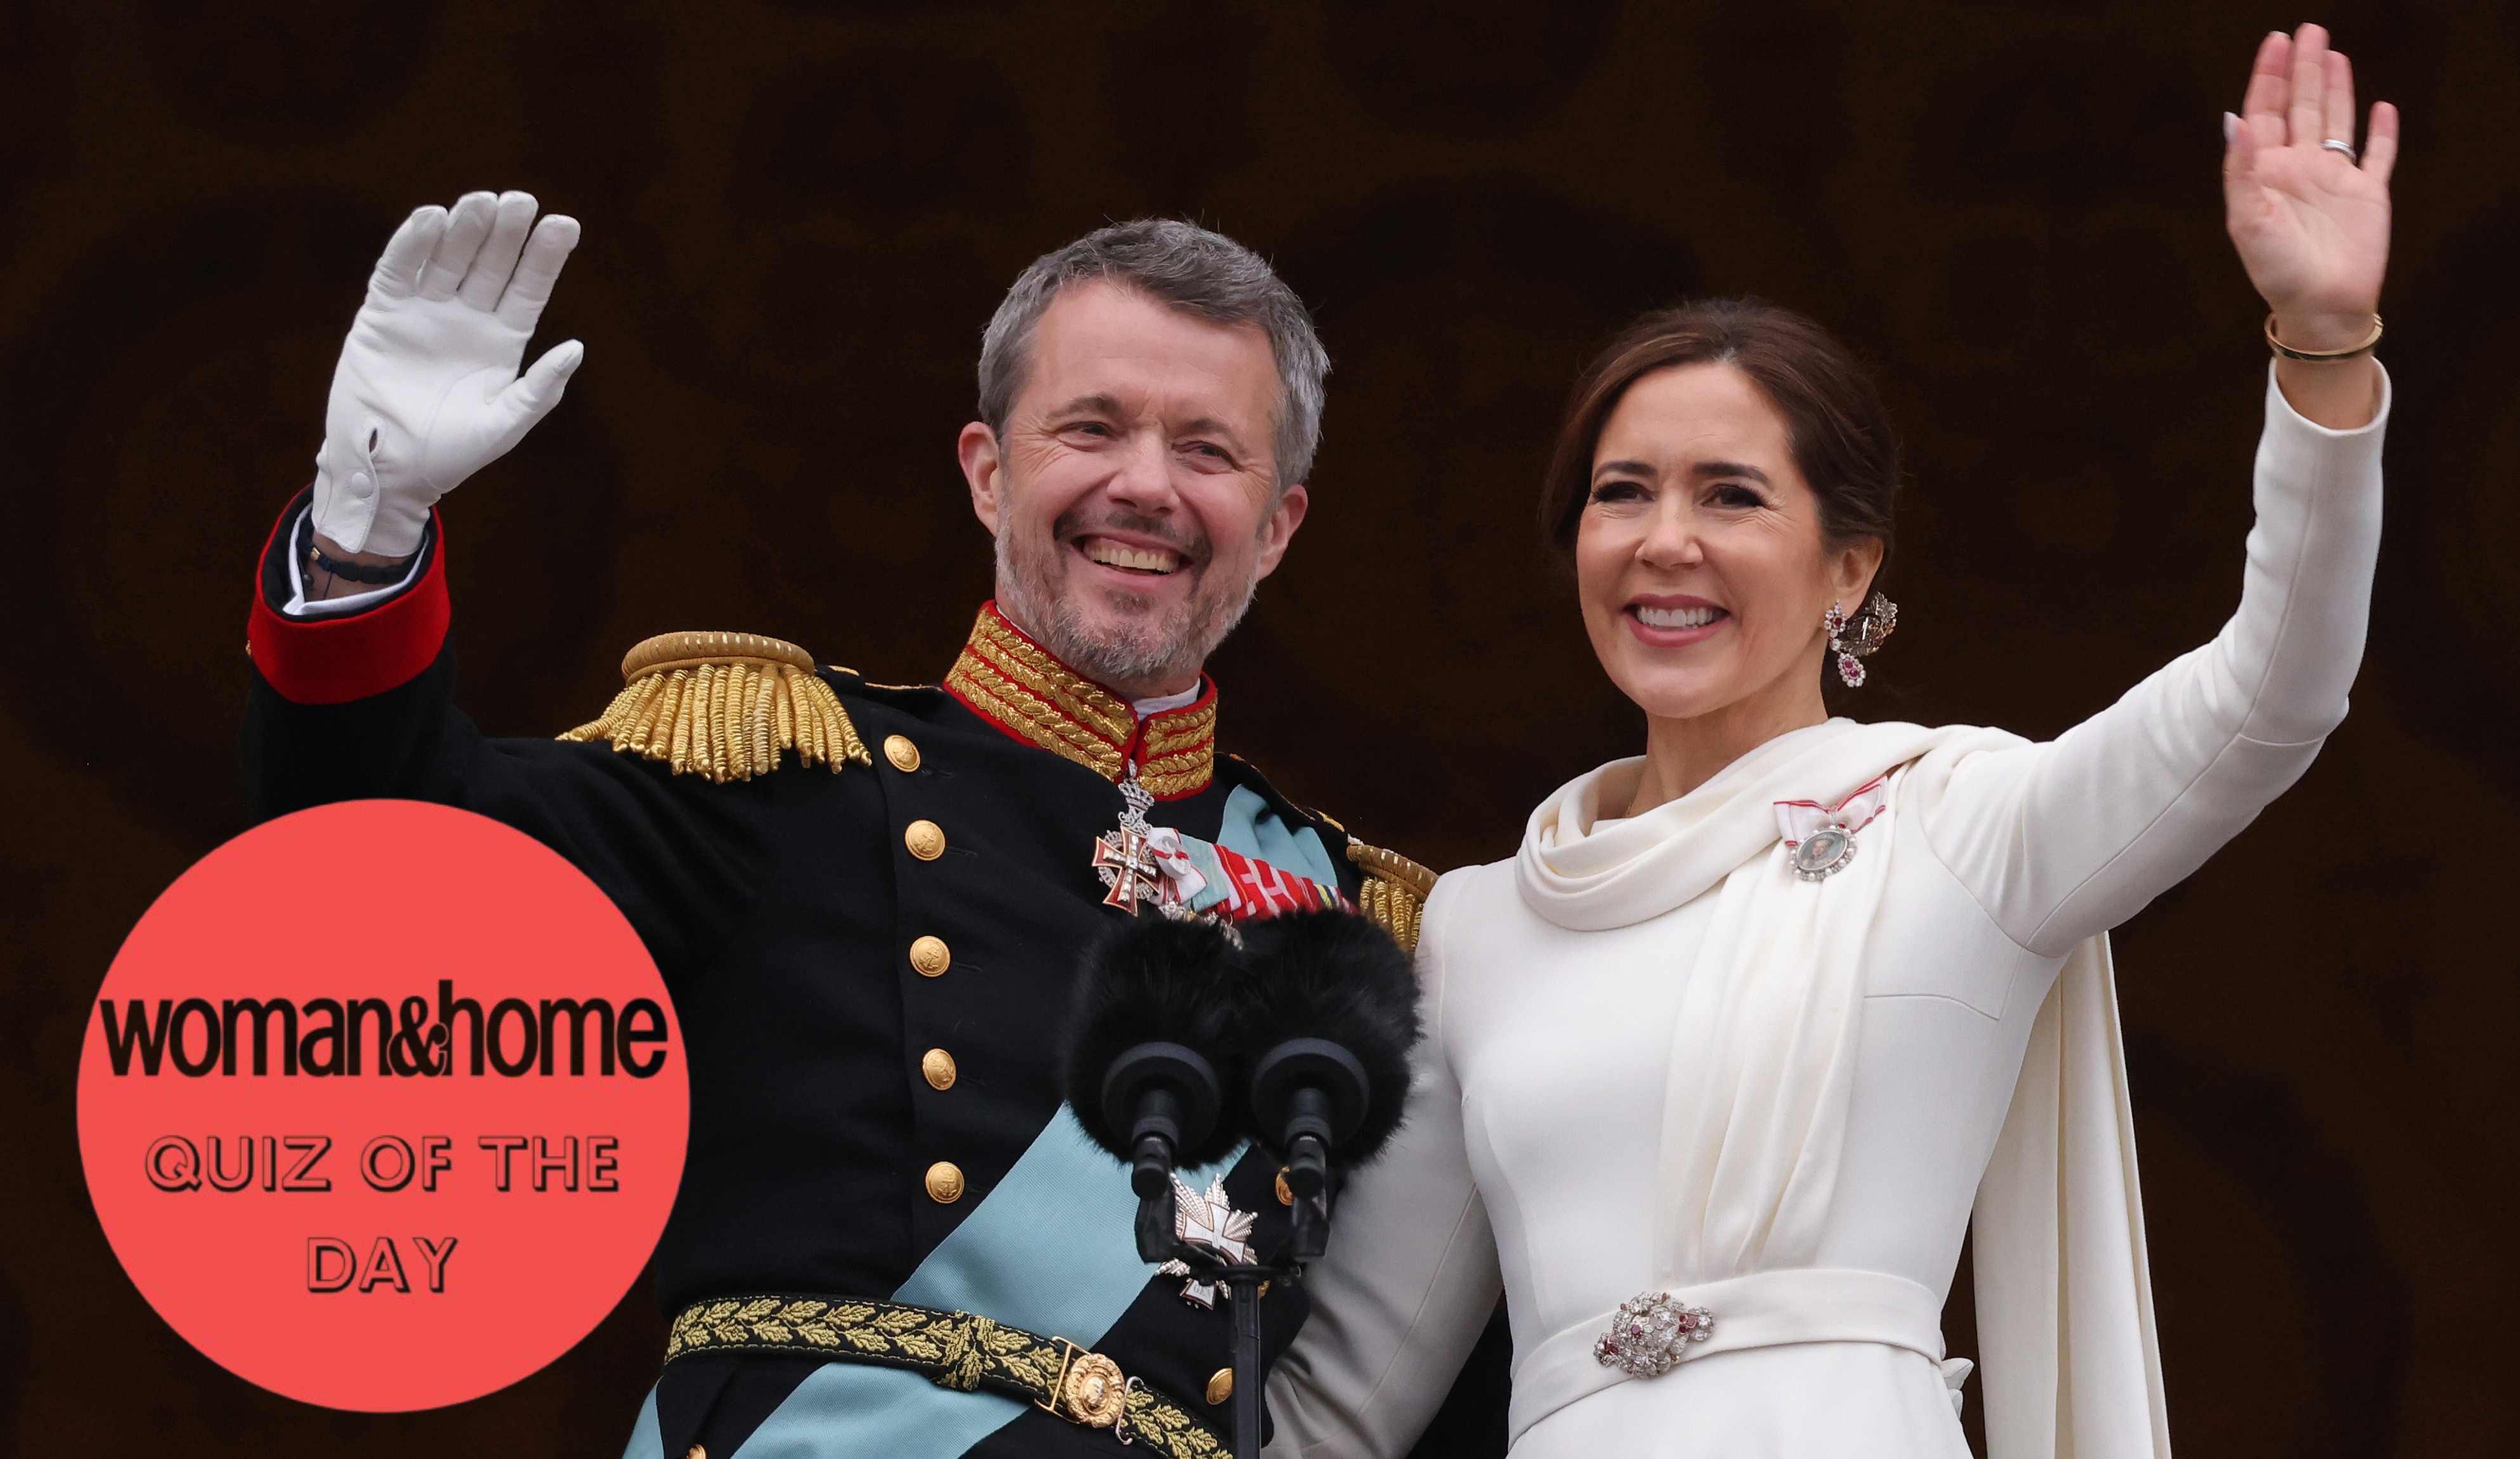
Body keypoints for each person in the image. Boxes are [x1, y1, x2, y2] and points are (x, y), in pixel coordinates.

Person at [1263, 24, 2392, 1459]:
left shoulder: (1962, 822)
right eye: (1623, 493)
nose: (1665, 541)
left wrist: (2323, 347)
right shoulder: (1478, 926)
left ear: (1849, 566)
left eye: (1731, 496)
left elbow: (2269, 695)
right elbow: (1341, 1405)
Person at [240, 207, 1446, 1458]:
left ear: (1281, 523)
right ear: (986, 470)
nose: (1144, 483)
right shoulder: (787, 768)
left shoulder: (1350, 926)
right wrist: (362, 531)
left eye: (1207, 448)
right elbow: (366, 871)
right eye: (1091, 427)